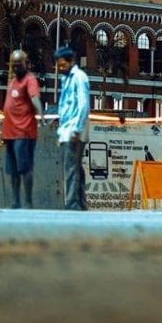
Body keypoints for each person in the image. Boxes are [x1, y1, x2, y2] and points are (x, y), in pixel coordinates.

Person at [1, 49, 43, 209]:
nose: (17, 68)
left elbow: (35, 98)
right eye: (14, 65)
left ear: (26, 64)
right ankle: (15, 201)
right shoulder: (12, 82)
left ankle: (28, 202)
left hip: (24, 131)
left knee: (25, 168)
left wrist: (41, 114)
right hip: (10, 132)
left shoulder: (29, 80)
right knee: (13, 170)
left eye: (19, 65)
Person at [54, 44, 90, 210]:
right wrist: (61, 132)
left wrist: (76, 128)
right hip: (67, 130)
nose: (60, 68)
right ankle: (80, 202)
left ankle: (72, 203)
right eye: (58, 65)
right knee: (76, 166)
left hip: (75, 130)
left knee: (70, 167)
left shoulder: (79, 77)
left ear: (71, 61)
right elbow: (64, 106)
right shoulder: (66, 78)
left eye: (63, 64)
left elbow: (83, 104)